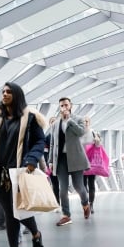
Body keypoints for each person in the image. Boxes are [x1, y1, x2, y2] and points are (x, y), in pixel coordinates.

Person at [0, 82, 46, 247]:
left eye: (9, 92)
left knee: (16, 211)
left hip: (19, 171)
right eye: (2, 91)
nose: (5, 94)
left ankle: (26, 243)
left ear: (17, 95)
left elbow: (39, 140)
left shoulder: (29, 118)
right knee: (10, 212)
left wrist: (32, 159)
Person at [48, 97, 91, 226]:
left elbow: (81, 132)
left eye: (66, 105)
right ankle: (66, 215)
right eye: (62, 105)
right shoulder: (55, 124)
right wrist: (50, 160)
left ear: (70, 105)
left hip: (76, 158)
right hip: (60, 159)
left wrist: (70, 120)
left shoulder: (77, 119)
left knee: (78, 186)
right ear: (59, 107)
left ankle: (85, 203)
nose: (64, 107)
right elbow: (52, 143)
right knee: (62, 188)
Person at [82, 128, 102, 214]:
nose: (85, 123)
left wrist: (97, 139)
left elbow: (98, 145)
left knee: (91, 184)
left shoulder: (94, 133)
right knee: (83, 185)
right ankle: (85, 203)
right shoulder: (80, 134)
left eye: (87, 121)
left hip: (92, 163)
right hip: (82, 162)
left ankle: (91, 204)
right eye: (84, 121)